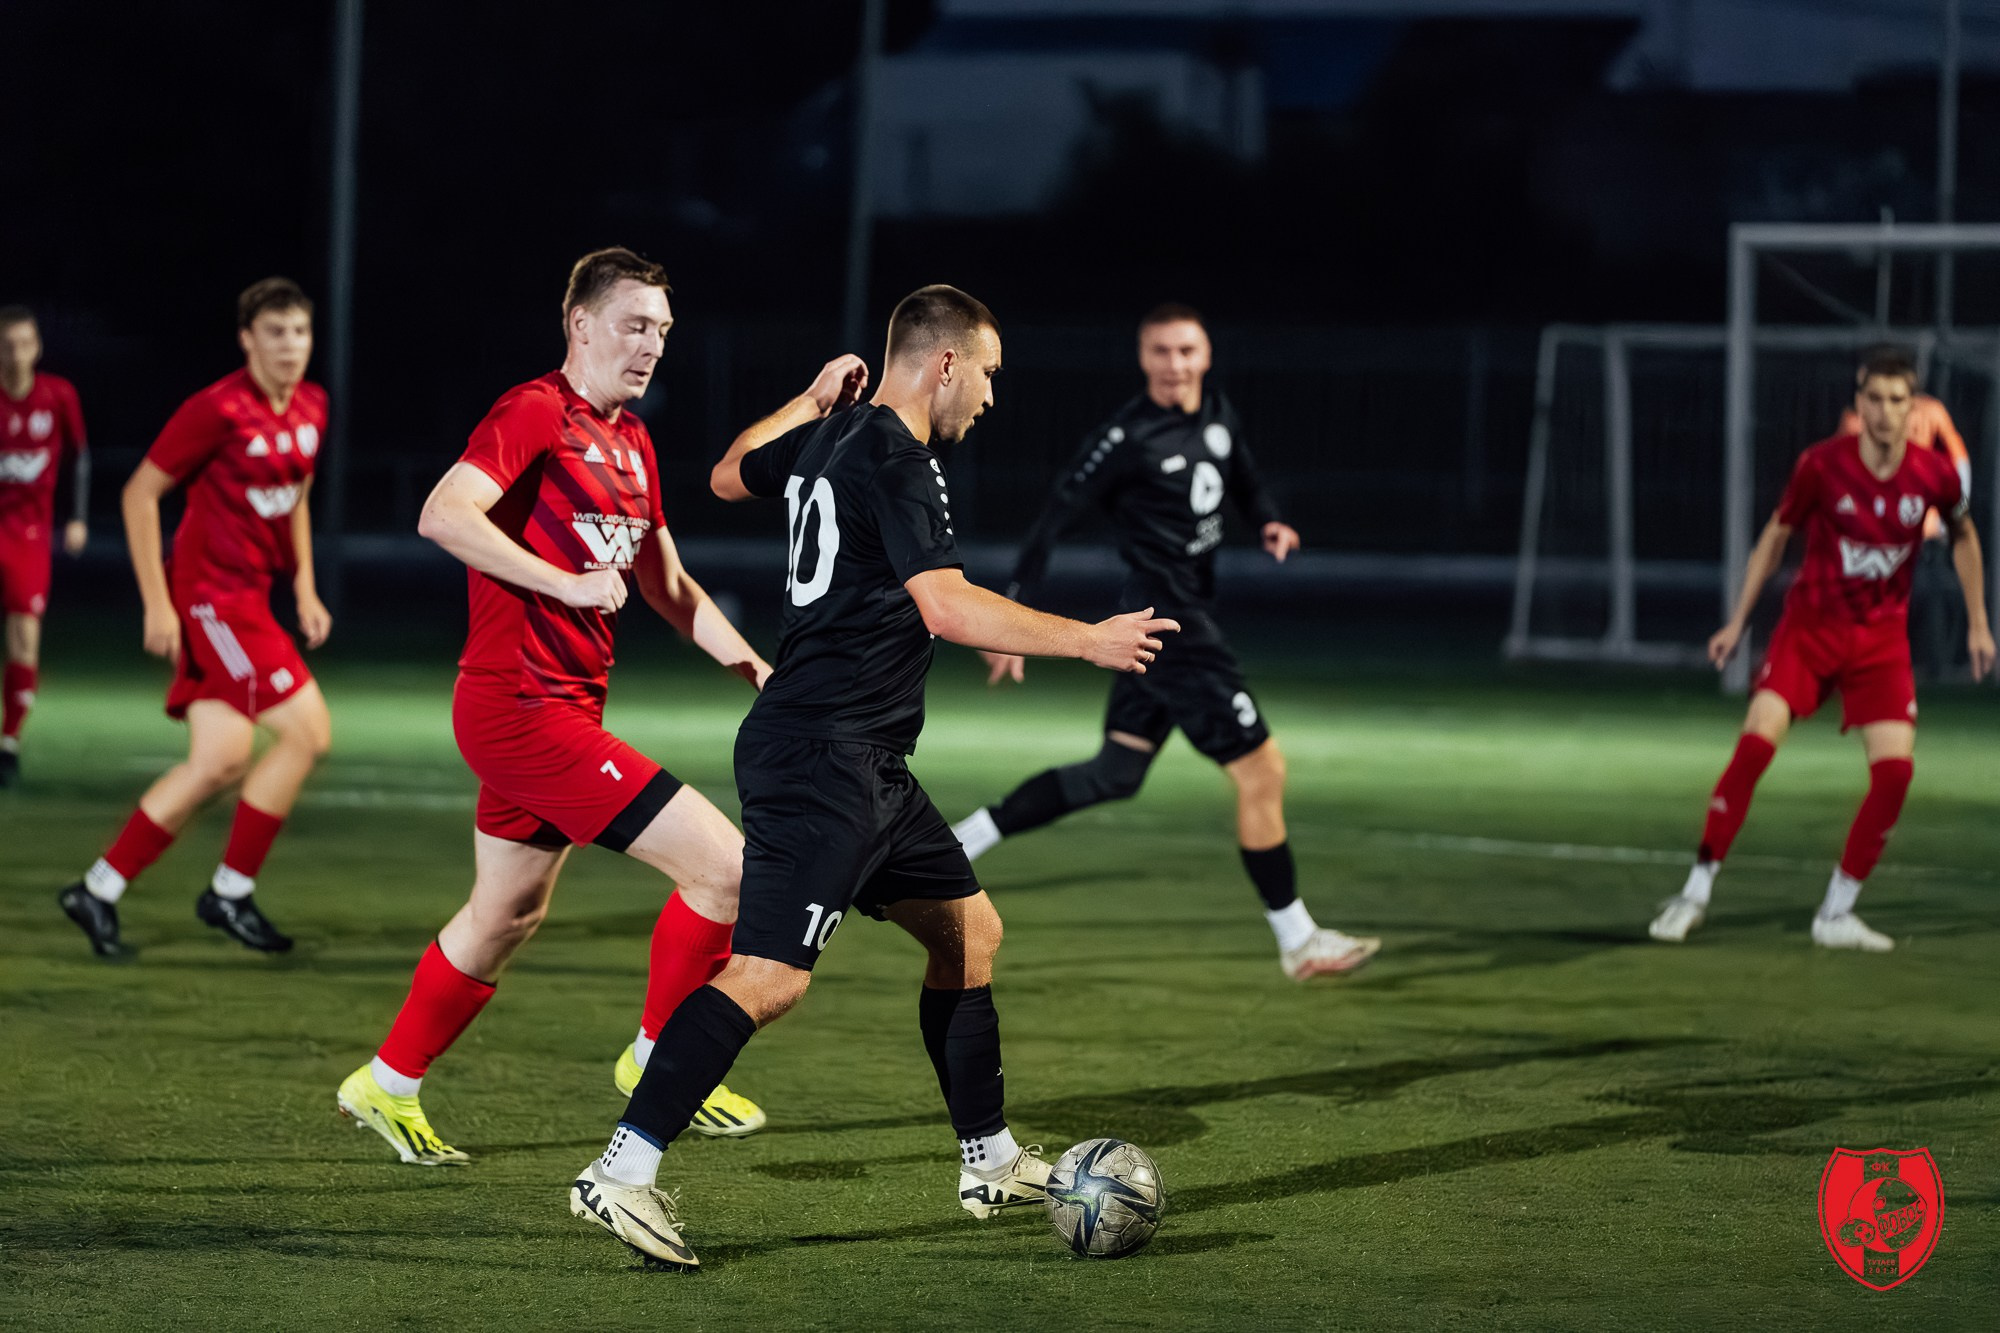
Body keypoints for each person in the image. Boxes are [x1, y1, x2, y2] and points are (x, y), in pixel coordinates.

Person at [567, 285, 1177, 1269]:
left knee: (969, 932)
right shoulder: (897, 455)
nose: (986, 397)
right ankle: (621, 1170)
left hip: (863, 761)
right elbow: (944, 606)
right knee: (767, 978)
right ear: (943, 364)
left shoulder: (835, 436)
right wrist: (1088, 641)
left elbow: (726, 474)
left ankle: (987, 1156)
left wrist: (810, 402)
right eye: (983, 374)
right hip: (821, 757)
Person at [336, 248, 771, 1166]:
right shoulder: (535, 410)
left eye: (661, 330)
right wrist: (564, 582)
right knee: (726, 866)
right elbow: (444, 514)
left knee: (505, 915)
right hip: (520, 708)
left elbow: (669, 583)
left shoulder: (634, 443)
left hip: (558, 710)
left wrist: (750, 662)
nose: (650, 344)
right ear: (580, 325)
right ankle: (659, 1061)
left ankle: (387, 1082)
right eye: (632, 324)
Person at [950, 303, 1377, 980]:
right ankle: (1298, 937)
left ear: (1205, 355)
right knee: (1262, 770)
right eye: (1160, 353)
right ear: (1143, 359)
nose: (1174, 365)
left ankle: (960, 841)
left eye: (1186, 351)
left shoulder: (1217, 412)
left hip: (1167, 624)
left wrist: (1267, 519)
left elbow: (1242, 475)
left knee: (1113, 773)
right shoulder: (1126, 436)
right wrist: (1014, 606)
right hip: (1174, 626)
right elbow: (1058, 510)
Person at [1651, 348, 1995, 950]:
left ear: (1913, 409)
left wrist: (1979, 621)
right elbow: (1776, 536)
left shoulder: (1933, 475)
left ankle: (1836, 913)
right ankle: (1695, 891)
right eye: (1874, 400)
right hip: (1809, 632)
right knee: (1756, 745)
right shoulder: (1821, 465)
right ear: (1857, 406)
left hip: (1881, 642)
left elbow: (1964, 535)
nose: (1885, 413)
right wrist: (1736, 622)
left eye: (1897, 400)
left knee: (1895, 775)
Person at [57, 279, 334, 958]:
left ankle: (97, 888)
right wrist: (159, 603)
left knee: (219, 761)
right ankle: (231, 891)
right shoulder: (217, 408)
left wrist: (305, 586)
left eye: (299, 332)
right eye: (275, 333)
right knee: (306, 732)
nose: (290, 346)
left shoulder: (311, 405)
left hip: (254, 598)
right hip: (211, 600)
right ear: (247, 340)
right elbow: (139, 494)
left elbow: (295, 497)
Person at [0, 305, 90, 786]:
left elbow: (79, 455)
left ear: (37, 347)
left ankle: (9, 741)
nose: (16, 354)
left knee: (24, 636)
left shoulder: (57, 396)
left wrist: (75, 517)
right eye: (7, 345)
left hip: (28, 536)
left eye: (23, 344)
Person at [1836, 371, 1973, 678]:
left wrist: (1957, 512)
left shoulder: (1919, 413)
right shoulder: (1869, 417)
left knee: (1912, 598)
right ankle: (1887, 666)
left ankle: (1923, 668)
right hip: (1891, 528)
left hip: (1905, 528)